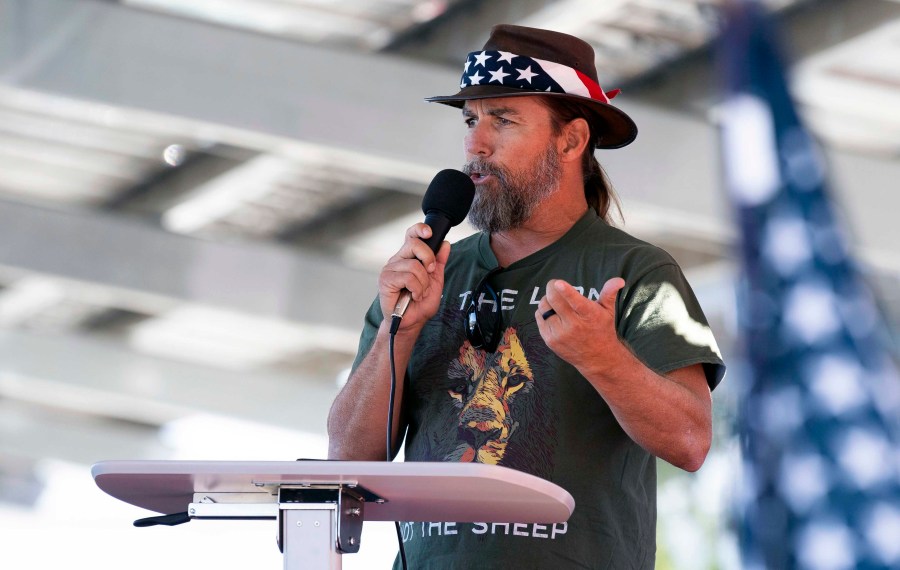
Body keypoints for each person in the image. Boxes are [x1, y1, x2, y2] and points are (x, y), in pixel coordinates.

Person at [327, 24, 726, 569]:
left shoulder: (637, 271)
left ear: (571, 140)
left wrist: (601, 356)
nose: (475, 143)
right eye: (470, 120)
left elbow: (690, 441)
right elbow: (348, 461)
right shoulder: (424, 275)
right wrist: (401, 333)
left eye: (503, 120)